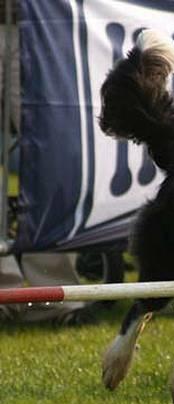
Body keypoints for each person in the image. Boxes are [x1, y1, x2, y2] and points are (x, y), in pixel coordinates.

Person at [0, 0, 90, 324]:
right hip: (33, 25)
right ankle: (4, 294)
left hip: (39, 26)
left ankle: (54, 295)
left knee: (54, 160)